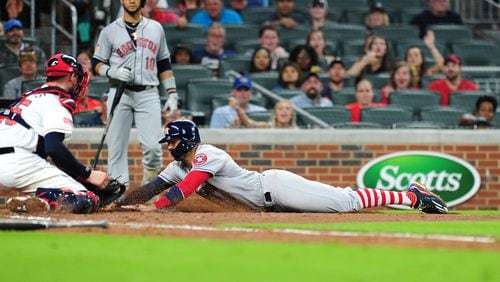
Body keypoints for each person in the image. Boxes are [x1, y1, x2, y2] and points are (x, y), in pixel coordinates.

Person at [115, 119, 448, 214]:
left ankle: (411, 197)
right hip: (268, 205)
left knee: (344, 202)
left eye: (171, 141)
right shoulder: (177, 168)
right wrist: (119, 205)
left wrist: (154, 210)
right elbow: (150, 188)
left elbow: (185, 190)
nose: (169, 147)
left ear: (186, 140)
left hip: (274, 187)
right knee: (342, 203)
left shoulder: (206, 154)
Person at [0, 53, 111, 214]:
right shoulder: (57, 100)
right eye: (77, 77)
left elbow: (48, 152)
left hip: (17, 158)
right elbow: (54, 148)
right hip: (19, 163)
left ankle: (31, 199)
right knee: (86, 198)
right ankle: (40, 202)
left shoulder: (30, 96)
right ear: (72, 77)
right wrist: (88, 174)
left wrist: (78, 175)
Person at [93, 0, 180, 185]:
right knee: (116, 147)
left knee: (154, 147)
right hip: (119, 93)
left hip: (148, 93)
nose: (131, 0)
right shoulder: (109, 31)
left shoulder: (156, 28)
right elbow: (96, 64)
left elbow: (164, 63)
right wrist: (111, 71)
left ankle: (148, 191)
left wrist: (172, 93)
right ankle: (119, 191)